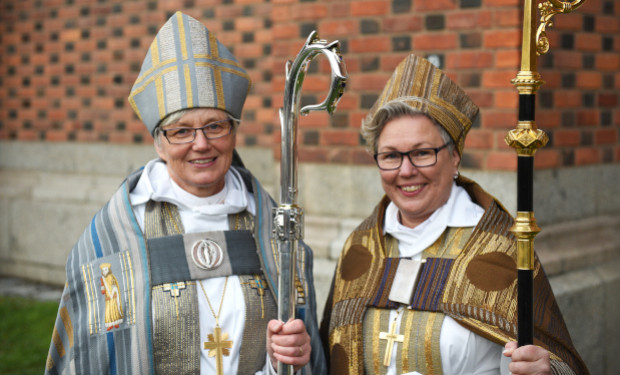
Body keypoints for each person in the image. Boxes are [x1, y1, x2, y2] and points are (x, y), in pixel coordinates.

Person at [45, 11, 326, 375]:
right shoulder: (118, 235)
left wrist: (284, 359)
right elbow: (97, 356)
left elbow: (294, 349)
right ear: (159, 144)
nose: (201, 144)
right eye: (181, 131)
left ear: (234, 132)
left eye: (215, 126)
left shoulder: (271, 226)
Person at [319, 54, 589, 375]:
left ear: (454, 158)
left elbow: (550, 363)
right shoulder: (360, 247)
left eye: (422, 153)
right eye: (390, 156)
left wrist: (546, 371)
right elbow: (328, 356)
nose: (406, 171)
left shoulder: (502, 251)